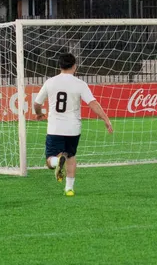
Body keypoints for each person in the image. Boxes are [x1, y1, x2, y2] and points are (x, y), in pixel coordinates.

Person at [34, 53, 113, 196]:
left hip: (55, 128)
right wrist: (106, 119)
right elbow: (92, 103)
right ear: (74, 66)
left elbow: (37, 103)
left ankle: (56, 162)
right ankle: (69, 189)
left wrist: (39, 113)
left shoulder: (50, 82)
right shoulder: (80, 84)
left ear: (59, 65)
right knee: (71, 156)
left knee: (49, 160)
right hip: (73, 129)